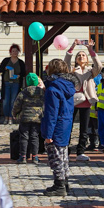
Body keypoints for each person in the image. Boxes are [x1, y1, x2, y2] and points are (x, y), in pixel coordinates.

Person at [41, 59, 76, 196]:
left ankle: (59, 185)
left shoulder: (53, 89)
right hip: (66, 123)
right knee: (63, 155)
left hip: (56, 126)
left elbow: (51, 114)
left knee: (55, 157)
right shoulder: (67, 85)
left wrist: (48, 135)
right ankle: (65, 182)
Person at [66, 40, 102, 162]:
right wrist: (72, 47)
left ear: (86, 59)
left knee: (84, 129)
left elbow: (99, 67)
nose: (81, 57)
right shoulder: (72, 70)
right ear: (76, 59)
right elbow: (65, 64)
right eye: (79, 55)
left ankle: (80, 152)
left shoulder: (90, 71)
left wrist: (91, 51)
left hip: (86, 102)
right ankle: (65, 150)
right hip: (73, 101)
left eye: (83, 55)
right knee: (68, 127)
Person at [12, 73, 45, 164]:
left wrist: (14, 113)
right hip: (37, 118)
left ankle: (23, 156)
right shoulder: (41, 92)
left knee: (24, 137)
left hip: (25, 118)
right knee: (35, 137)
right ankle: (35, 156)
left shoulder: (23, 92)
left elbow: (17, 105)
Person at [0, 44, 26, 125]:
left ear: (18, 52)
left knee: (13, 101)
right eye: (13, 51)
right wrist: (5, 68)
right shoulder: (6, 60)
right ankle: (6, 118)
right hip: (6, 83)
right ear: (10, 52)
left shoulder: (21, 62)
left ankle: (11, 118)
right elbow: (0, 69)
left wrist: (19, 76)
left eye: (16, 51)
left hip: (16, 84)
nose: (14, 52)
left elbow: (24, 73)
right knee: (6, 101)